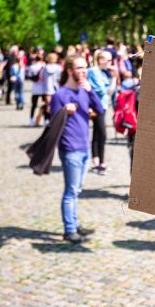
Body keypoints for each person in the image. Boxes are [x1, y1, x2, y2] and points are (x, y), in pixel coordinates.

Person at [50, 55, 104, 244]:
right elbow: (53, 123)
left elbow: (101, 111)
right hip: (70, 148)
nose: (84, 71)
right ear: (70, 71)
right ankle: (70, 230)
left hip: (84, 147)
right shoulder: (60, 95)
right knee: (71, 190)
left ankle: (74, 223)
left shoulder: (84, 91)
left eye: (85, 68)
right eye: (80, 68)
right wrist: (64, 111)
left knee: (77, 189)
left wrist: (91, 92)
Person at [87, 50, 115, 174]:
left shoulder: (103, 73)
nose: (110, 63)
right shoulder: (93, 71)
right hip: (96, 106)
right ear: (100, 60)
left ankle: (97, 161)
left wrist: (114, 77)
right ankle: (100, 162)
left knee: (97, 134)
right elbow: (101, 90)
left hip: (102, 106)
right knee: (102, 134)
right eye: (108, 60)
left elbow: (110, 92)